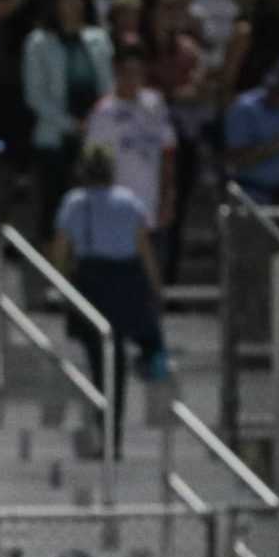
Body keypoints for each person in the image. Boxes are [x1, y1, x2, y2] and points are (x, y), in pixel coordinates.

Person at [49, 144, 170, 441]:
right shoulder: (129, 202)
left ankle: (107, 426)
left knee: (99, 358)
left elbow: (61, 251)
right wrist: (156, 289)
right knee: (117, 357)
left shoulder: (74, 203)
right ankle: (111, 426)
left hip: (93, 281)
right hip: (126, 282)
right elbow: (145, 251)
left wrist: (60, 284)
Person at [22, 0, 114, 229]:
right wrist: (72, 124)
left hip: (95, 138)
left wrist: (96, 122)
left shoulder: (99, 38)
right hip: (54, 138)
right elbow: (35, 95)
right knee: (54, 212)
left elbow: (108, 87)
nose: (76, 4)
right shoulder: (38, 42)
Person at [82, 44, 177, 232]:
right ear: (117, 72)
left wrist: (168, 197)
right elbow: (94, 163)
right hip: (115, 207)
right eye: (127, 73)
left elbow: (168, 151)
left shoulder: (155, 102)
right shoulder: (103, 112)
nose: (132, 79)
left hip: (150, 202)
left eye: (138, 73)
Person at [223, 55, 279, 205]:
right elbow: (235, 160)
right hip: (252, 196)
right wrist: (273, 147)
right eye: (272, 88)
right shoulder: (244, 109)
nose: (273, 94)